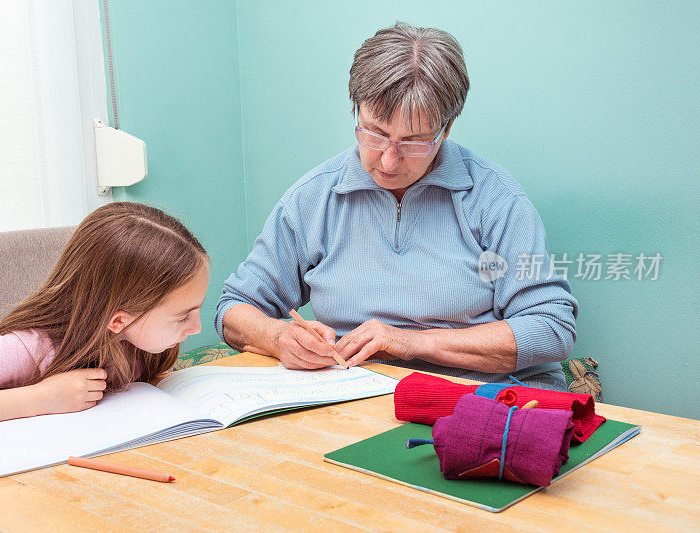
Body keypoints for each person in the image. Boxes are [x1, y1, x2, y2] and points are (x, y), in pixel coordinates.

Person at [215, 22, 578, 390]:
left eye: (414, 141)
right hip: (358, 396)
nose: (388, 161)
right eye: (374, 133)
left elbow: (551, 328)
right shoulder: (314, 197)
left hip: (482, 398)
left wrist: (410, 343)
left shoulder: (495, 200)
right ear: (356, 111)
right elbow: (234, 309)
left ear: (447, 128)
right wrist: (279, 337)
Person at [0, 202, 209, 435]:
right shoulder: (29, 348)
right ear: (117, 321)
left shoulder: (139, 342)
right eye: (182, 317)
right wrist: (39, 399)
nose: (197, 327)